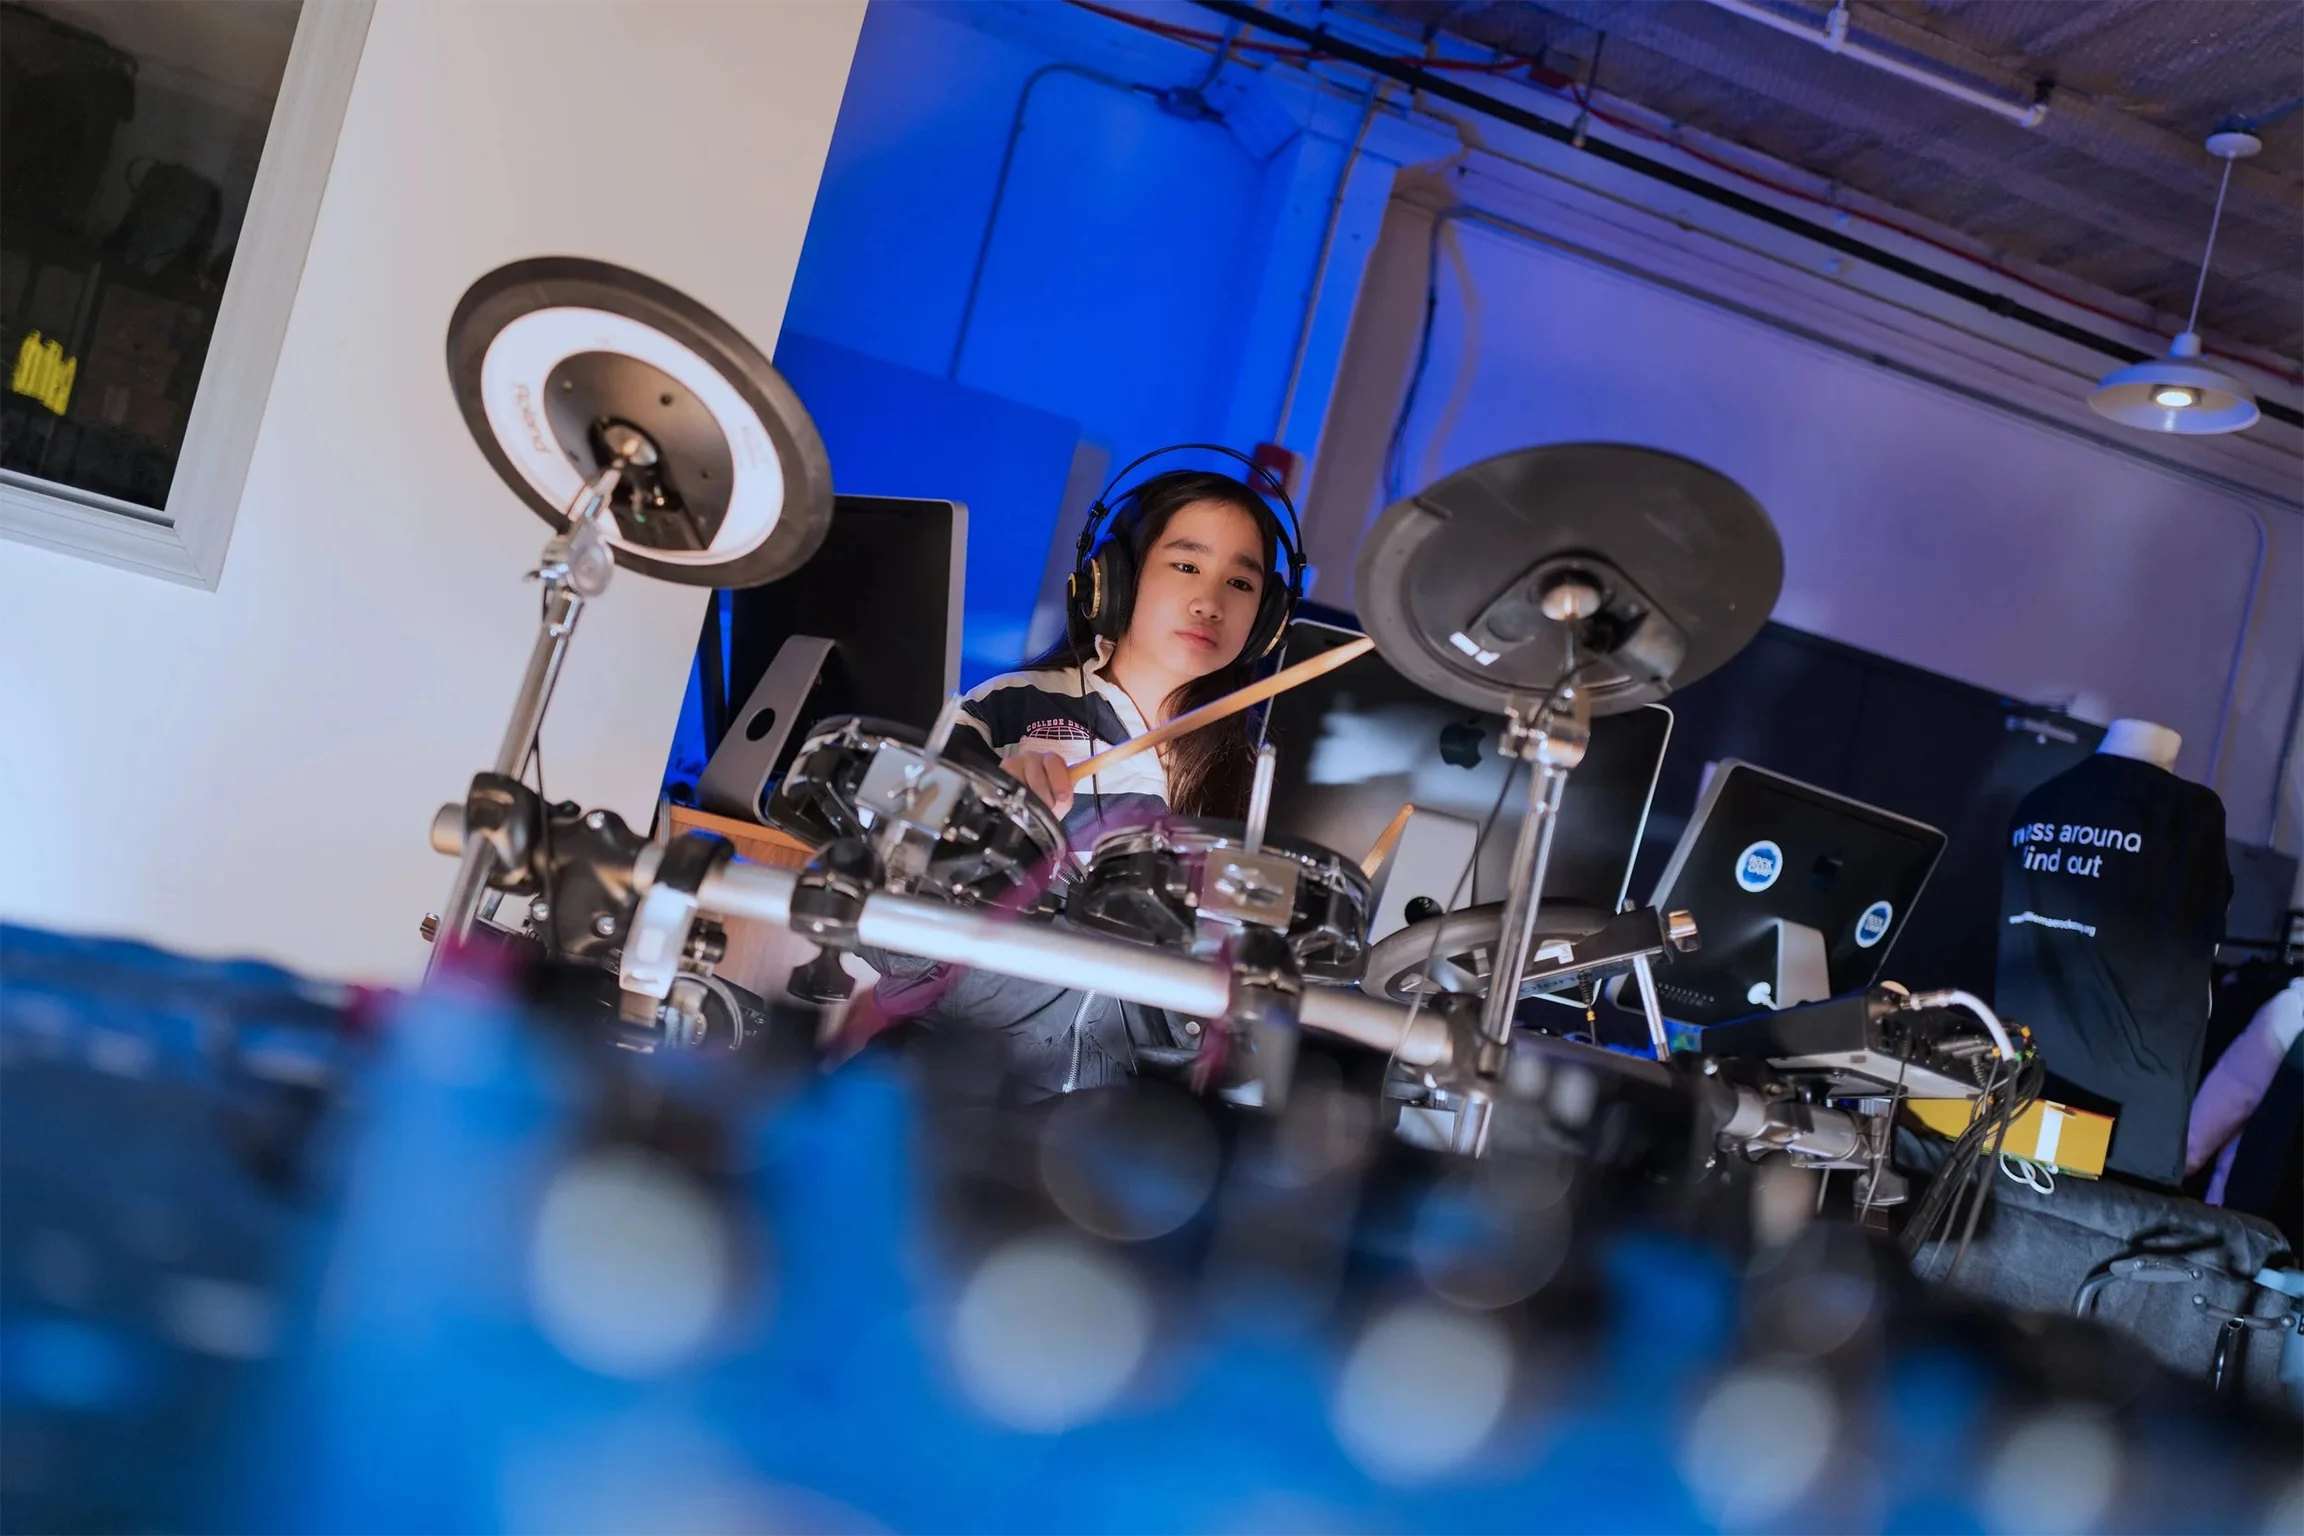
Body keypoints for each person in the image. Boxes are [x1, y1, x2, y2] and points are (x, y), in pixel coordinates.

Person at [849, 462, 1296, 1095]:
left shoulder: (1256, 777)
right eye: (1186, 565)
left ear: (1268, 617)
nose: (1210, 601)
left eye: (1241, 582)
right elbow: (880, 879)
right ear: (1113, 580)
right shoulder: (1007, 707)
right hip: (944, 1078)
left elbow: (1230, 1010)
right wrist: (983, 804)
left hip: (1108, 1126)